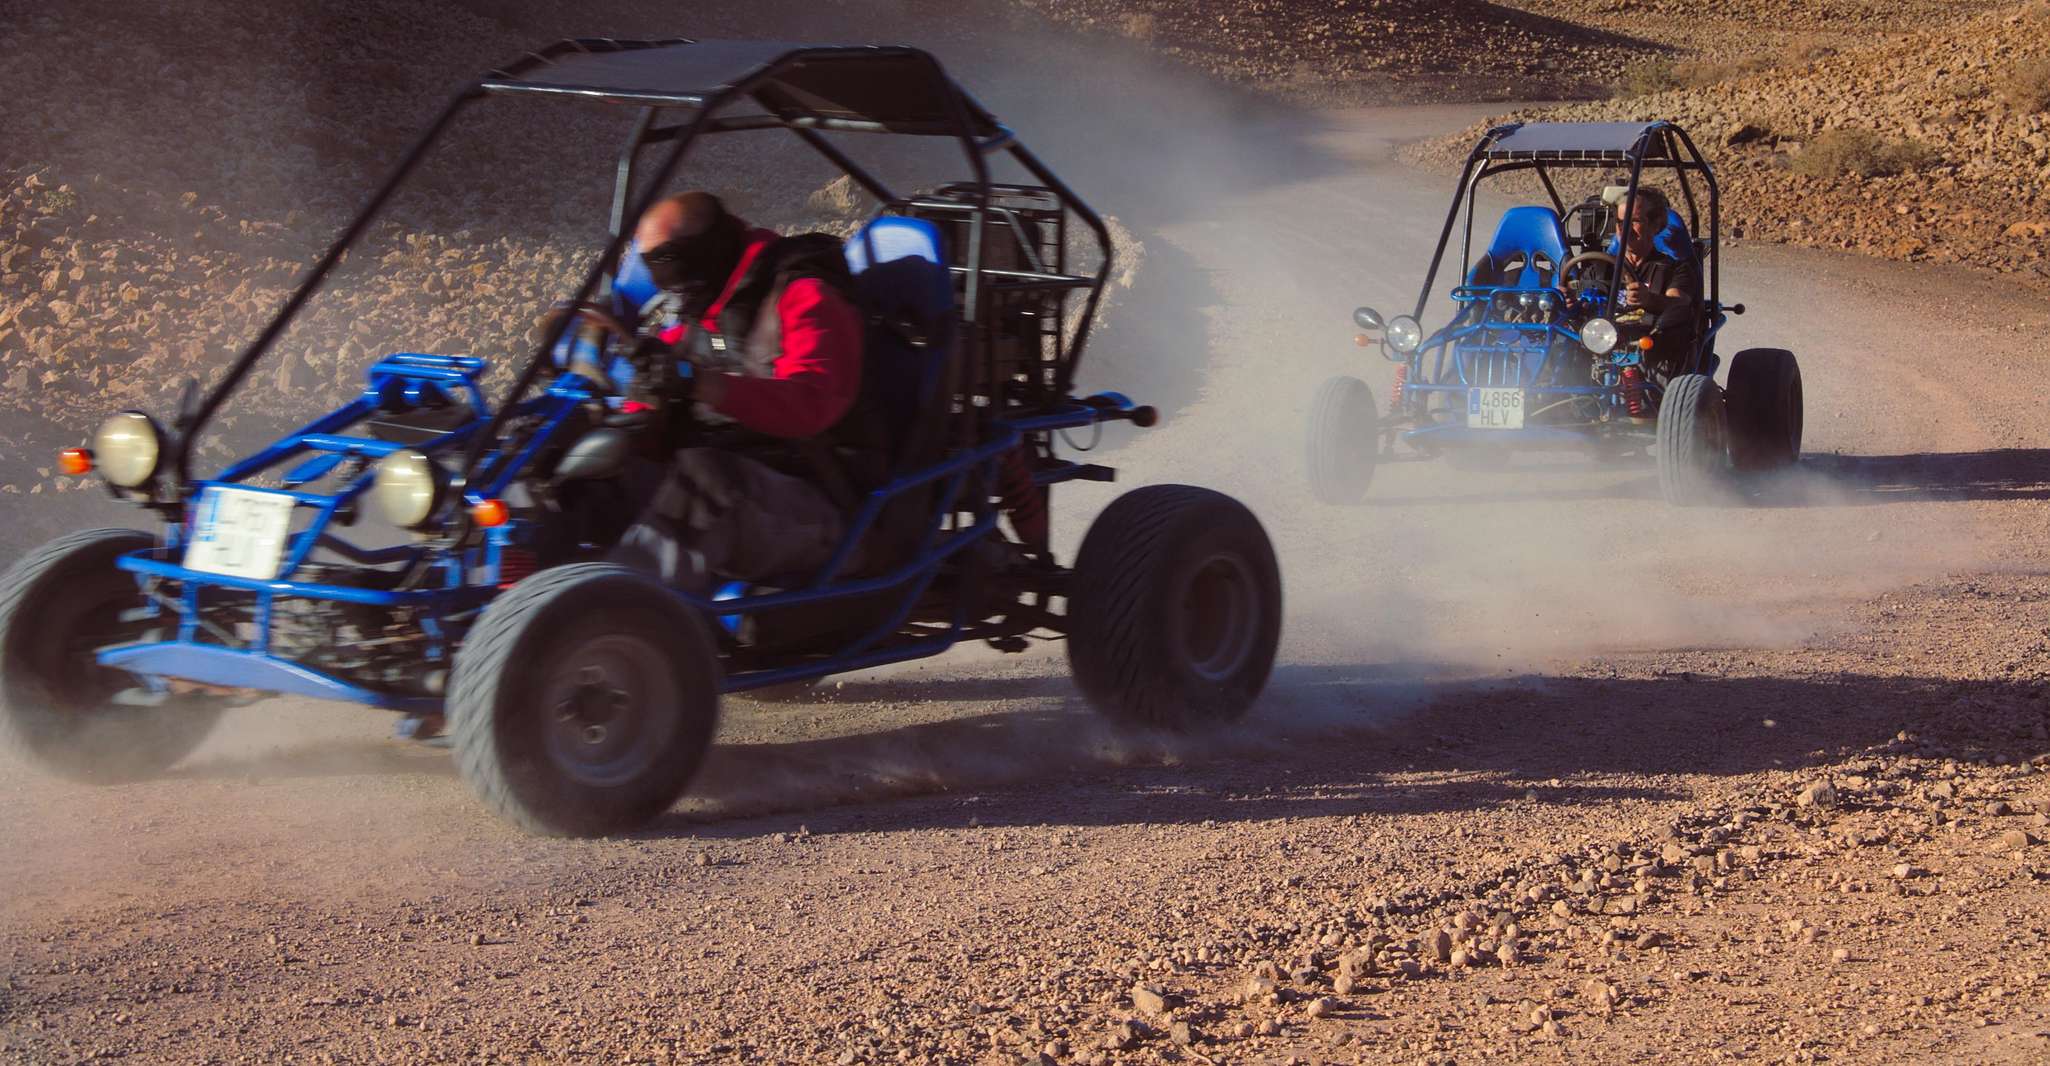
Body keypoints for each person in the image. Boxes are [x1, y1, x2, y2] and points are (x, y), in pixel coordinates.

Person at [607, 191, 879, 594]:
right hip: (755, 490)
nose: (664, 282)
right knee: (589, 464)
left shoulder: (804, 295)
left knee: (704, 483)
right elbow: (681, 361)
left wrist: (702, 383)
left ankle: (615, 627)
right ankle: (517, 611)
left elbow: (813, 404)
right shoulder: (707, 310)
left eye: (668, 260)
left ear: (708, 246)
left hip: (824, 503)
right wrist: (626, 422)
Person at [1612, 185, 1701, 380]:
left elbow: (1679, 305)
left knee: (1672, 331)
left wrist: (1650, 300)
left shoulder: (1674, 268)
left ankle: (1656, 404)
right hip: (1601, 342)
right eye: (1619, 221)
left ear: (1656, 225)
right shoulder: (1601, 266)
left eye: (1633, 221)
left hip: (1653, 348)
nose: (1623, 229)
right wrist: (1567, 299)